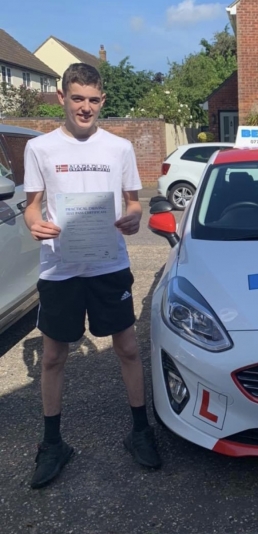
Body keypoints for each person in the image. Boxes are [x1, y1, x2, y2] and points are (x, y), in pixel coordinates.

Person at [23, 63, 161, 489]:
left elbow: (133, 203)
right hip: (60, 268)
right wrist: (33, 222)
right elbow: (32, 205)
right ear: (62, 98)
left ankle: (140, 432)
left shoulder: (118, 149)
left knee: (127, 350)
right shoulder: (40, 149)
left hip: (108, 265)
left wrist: (134, 217)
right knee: (51, 357)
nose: (85, 107)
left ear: (103, 101)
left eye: (93, 100)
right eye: (77, 98)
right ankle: (52, 444)